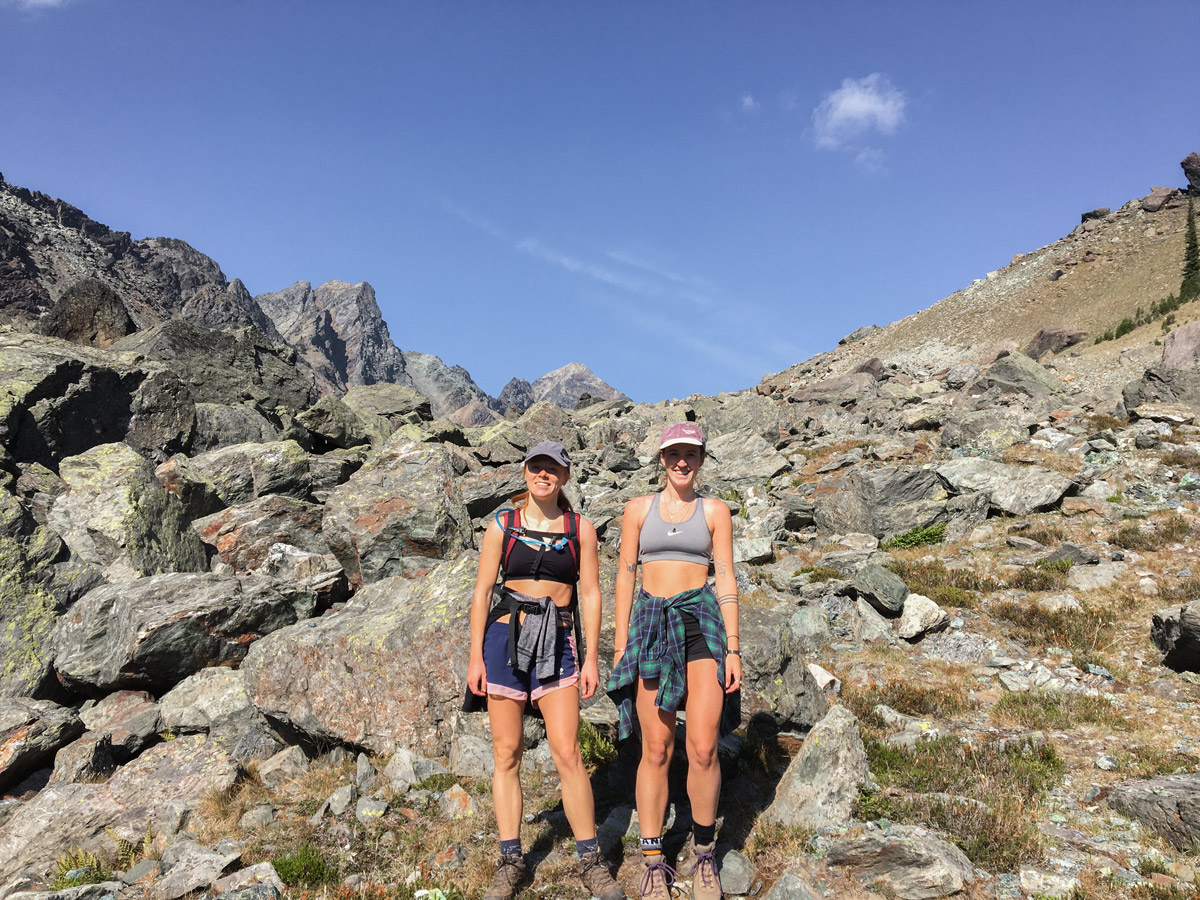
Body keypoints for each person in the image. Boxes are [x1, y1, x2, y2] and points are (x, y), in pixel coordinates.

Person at [466, 440, 625, 900]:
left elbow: (591, 594)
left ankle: (591, 861)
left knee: (568, 751)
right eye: (536, 467)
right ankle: (511, 859)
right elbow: (481, 593)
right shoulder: (503, 525)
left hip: (559, 641)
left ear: (565, 476)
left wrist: (591, 655)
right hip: (504, 639)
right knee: (506, 751)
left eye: (552, 468)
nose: (543, 475)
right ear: (524, 472)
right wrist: (475, 654)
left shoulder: (581, 529)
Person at [606, 423, 741, 900]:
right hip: (651, 623)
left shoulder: (716, 511)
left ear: (701, 459)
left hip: (701, 624)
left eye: (691, 454)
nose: (682, 462)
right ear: (661, 460)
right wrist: (621, 644)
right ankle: (652, 859)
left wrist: (735, 647)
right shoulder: (637, 510)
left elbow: (724, 575)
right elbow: (625, 575)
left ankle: (704, 856)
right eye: (673, 454)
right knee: (657, 749)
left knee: (703, 748)